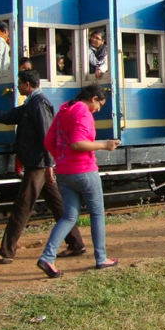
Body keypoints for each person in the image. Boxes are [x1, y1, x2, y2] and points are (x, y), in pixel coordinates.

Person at [0, 70, 85, 264]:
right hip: (38, 162)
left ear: (28, 85)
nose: (18, 87)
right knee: (57, 204)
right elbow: (9, 116)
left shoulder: (39, 104)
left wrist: (49, 164)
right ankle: (76, 243)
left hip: (38, 163)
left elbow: (47, 135)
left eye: (20, 84)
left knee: (23, 205)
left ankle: (6, 251)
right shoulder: (31, 103)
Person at [37, 85, 120, 278]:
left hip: (64, 171)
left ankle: (47, 257)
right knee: (97, 213)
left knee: (68, 217)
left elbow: (49, 141)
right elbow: (77, 143)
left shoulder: (65, 109)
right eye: (100, 104)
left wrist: (62, 158)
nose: (99, 109)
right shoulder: (83, 113)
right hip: (84, 170)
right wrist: (104, 145)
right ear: (93, 98)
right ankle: (101, 258)